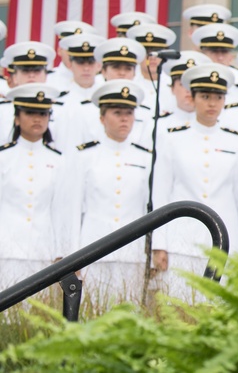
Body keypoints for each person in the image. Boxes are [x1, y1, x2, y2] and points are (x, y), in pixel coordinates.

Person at [151, 64, 238, 298]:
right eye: (205, 97)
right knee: (177, 305)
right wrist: (159, 243)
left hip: (225, 237)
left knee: (219, 308)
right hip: (181, 238)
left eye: (218, 97)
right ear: (193, 98)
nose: (212, 103)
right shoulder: (172, 138)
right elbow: (161, 193)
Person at [66, 80, 152, 303]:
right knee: (92, 312)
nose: (124, 118)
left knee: (129, 314)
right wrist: (72, 254)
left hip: (131, 251)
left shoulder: (145, 157)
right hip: (93, 249)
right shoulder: (85, 156)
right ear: (102, 118)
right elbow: (73, 208)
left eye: (129, 113)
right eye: (117, 113)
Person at [0, 84, 72, 288]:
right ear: (17, 118)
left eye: (43, 113)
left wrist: (61, 252)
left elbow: (60, 210)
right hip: (6, 251)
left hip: (43, 251)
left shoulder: (58, 160)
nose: (37, 119)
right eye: (30, 112)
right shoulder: (4, 157)